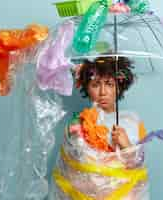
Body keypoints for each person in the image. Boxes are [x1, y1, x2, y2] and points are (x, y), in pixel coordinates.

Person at [49, 56, 150, 200]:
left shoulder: (132, 121)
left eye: (109, 84)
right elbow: (73, 168)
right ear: (86, 87)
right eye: (95, 84)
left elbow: (138, 166)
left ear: (119, 85)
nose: (103, 92)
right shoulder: (78, 122)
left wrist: (126, 145)